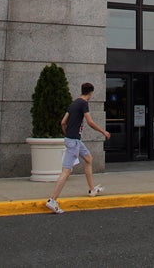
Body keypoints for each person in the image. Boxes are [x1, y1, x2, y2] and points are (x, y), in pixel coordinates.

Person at [45, 82, 110, 213]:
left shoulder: (73, 103)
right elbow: (90, 122)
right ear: (91, 93)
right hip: (74, 141)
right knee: (66, 171)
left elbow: (63, 122)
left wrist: (67, 134)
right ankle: (52, 200)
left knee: (89, 159)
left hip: (74, 140)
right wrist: (103, 131)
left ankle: (92, 189)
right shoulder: (83, 103)